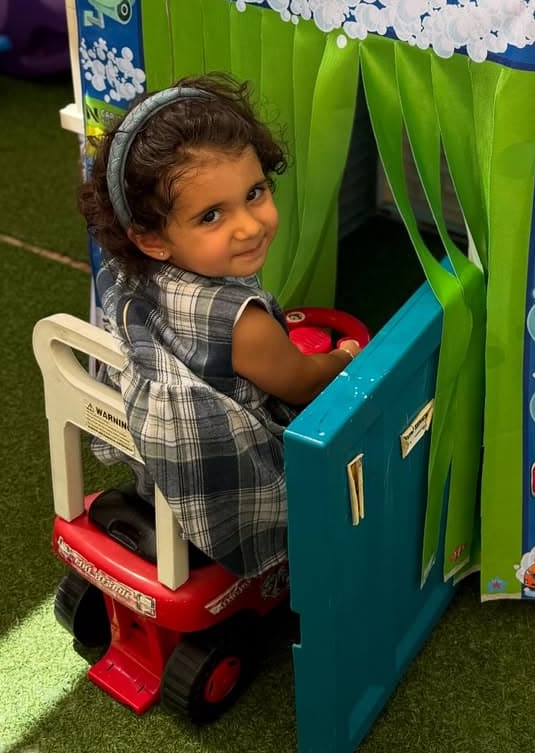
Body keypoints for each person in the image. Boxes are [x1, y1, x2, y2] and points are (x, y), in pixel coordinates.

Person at [78, 73, 360, 577]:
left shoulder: (129, 277)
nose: (249, 225)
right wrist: (341, 358)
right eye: (212, 216)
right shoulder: (242, 325)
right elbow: (298, 382)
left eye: (254, 193)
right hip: (235, 483)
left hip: (150, 462)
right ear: (152, 240)